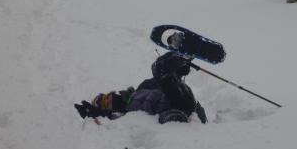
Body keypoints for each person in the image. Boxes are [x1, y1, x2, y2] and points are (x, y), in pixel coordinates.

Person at [74, 52, 207, 124]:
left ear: (112, 94)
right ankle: (174, 117)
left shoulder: (142, 87)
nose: (107, 101)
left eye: (105, 98)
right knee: (160, 72)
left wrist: (179, 70)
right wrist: (92, 114)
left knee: (158, 67)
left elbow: (164, 81)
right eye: (104, 105)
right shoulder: (127, 117)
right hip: (173, 113)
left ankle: (183, 52)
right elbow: (108, 125)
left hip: (181, 99)